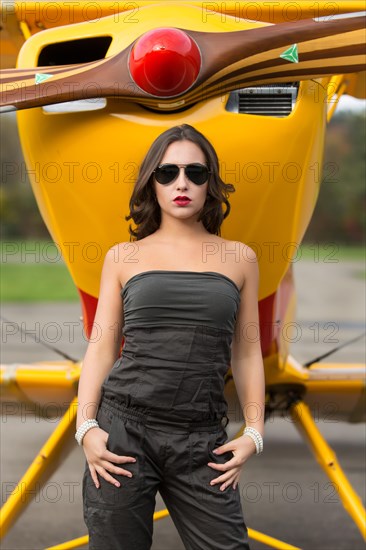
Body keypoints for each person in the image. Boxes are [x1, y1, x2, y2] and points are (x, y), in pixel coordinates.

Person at [76, 124, 265, 550]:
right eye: (167, 173)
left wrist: (254, 430)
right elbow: (102, 347)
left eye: (196, 173)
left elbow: (247, 353)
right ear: (152, 183)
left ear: (210, 184)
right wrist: (86, 427)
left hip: (202, 439)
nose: (182, 183)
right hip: (123, 434)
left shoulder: (241, 259)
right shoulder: (123, 257)